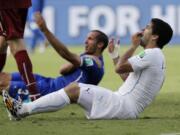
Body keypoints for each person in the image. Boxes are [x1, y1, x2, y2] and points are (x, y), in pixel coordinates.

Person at [2, 18, 173, 120]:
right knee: (73, 90)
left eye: (148, 28)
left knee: (74, 89)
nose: (143, 30)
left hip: (123, 105)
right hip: (124, 105)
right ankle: (22, 109)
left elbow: (120, 68)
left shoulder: (152, 54)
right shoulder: (156, 57)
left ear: (155, 36)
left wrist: (133, 46)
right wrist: (114, 56)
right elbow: (129, 80)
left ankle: (22, 110)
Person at [0, 13, 108, 103]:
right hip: (50, 82)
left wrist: (45, 30)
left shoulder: (93, 62)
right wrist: (78, 59)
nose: (85, 41)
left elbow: (65, 53)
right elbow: (62, 70)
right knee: (3, 76)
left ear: (100, 44)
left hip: (51, 91)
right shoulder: (86, 59)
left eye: (90, 39)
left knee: (2, 84)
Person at [0, 0, 40, 100]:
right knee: (4, 38)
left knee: (15, 42)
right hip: (22, 2)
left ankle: (34, 94)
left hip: (6, 4)